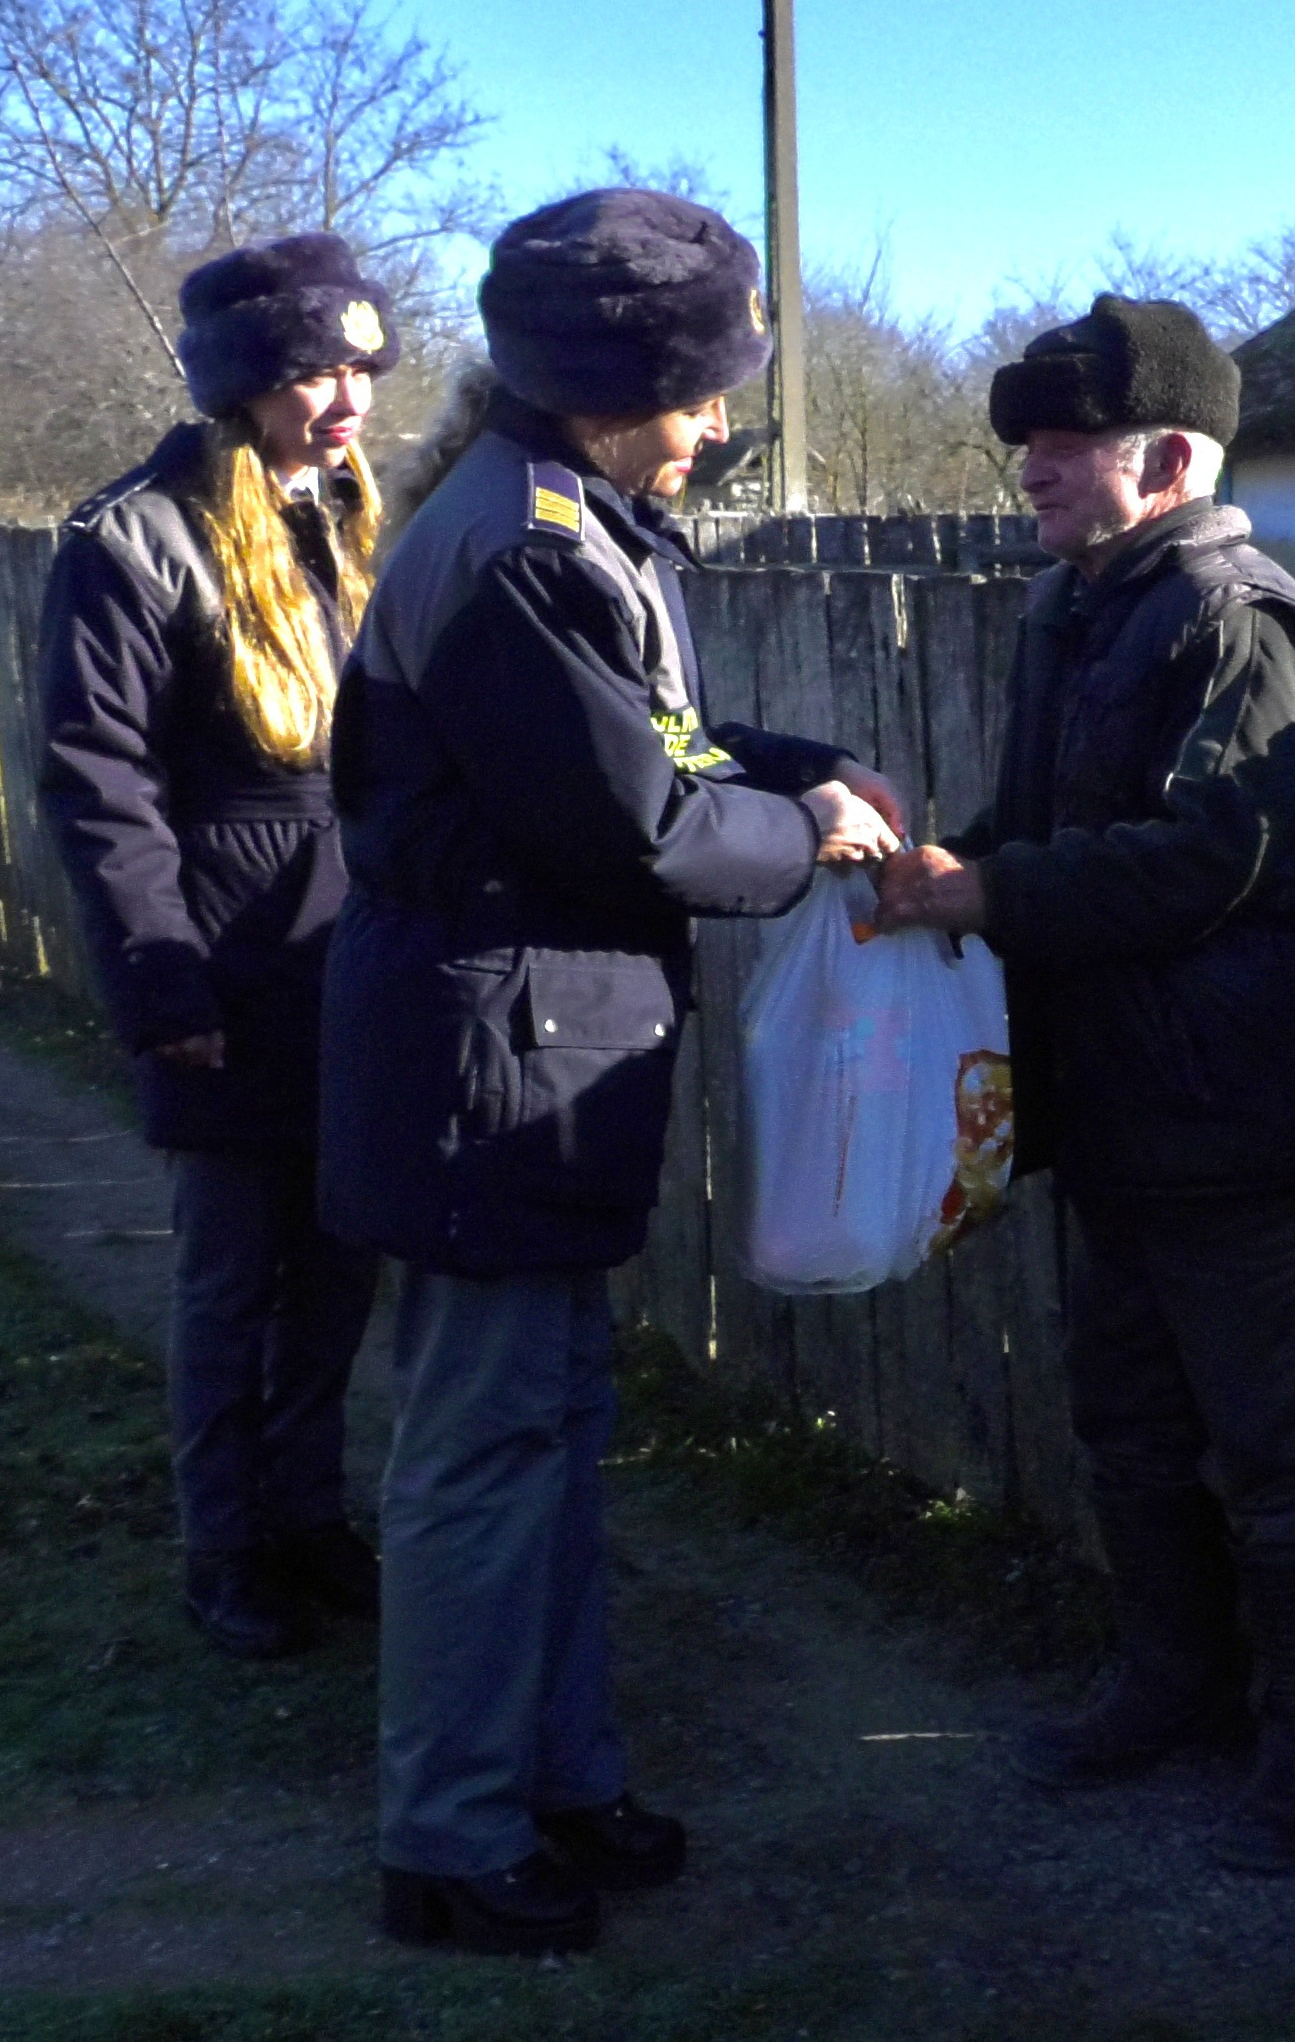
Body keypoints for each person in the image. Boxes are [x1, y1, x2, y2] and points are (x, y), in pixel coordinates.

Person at [321, 189, 904, 1957]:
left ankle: (558, 1774)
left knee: (552, 1438)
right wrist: (803, 830)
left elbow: (656, 739)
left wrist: (807, 767)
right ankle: (453, 1832)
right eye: (704, 388)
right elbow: (641, 819)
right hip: (486, 1065)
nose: (722, 420)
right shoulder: (516, 551)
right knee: (484, 1456)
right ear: (607, 388)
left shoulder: (574, 518)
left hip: (529, 1047)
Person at [874, 296, 1295, 1873]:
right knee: (1131, 1423)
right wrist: (935, 863)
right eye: (1027, 438)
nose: (1031, 464)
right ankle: (1173, 1684)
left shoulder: (1244, 621)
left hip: (1239, 1118)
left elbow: (1208, 858)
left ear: (1165, 457)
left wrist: (985, 894)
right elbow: (1037, 819)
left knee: (1277, 1451)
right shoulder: (1077, 607)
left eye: (1063, 439)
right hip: (1115, 1106)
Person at [35, 233, 399, 1664]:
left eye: (361, 365)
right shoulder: (129, 540)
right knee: (232, 1281)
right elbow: (98, 783)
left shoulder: (356, 521)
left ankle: (311, 1523)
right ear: (244, 381)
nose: (349, 396)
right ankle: (225, 1545)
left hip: (352, 961)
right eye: (318, 368)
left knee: (333, 1275)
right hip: (225, 965)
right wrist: (160, 977)